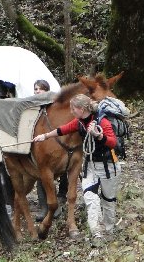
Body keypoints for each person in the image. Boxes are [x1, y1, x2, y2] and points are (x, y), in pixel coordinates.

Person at [32, 93, 121, 240]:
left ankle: (109, 230)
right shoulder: (79, 122)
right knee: (90, 196)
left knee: (108, 200)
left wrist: (99, 136)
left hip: (107, 165)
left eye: (73, 109)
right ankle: (97, 232)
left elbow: (112, 143)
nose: (71, 112)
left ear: (81, 109)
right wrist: (45, 136)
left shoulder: (102, 122)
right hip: (91, 165)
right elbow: (63, 129)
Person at [32, 79, 68, 222]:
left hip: (55, 143)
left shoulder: (55, 106)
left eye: (39, 89)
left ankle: (59, 200)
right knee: (42, 176)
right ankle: (44, 207)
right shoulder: (33, 106)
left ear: (46, 90)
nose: (36, 92)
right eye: (35, 89)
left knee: (62, 172)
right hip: (39, 144)